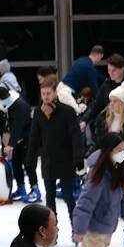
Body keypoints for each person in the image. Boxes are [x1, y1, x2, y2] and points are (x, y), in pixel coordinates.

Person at [25, 75, 82, 219]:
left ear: (55, 92)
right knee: (49, 198)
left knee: (69, 196)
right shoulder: (38, 112)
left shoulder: (67, 111)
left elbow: (75, 136)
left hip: (65, 160)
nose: (45, 97)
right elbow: (34, 137)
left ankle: (76, 228)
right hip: (48, 160)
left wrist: (77, 157)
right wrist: (30, 159)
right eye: (43, 94)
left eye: (48, 93)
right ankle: (52, 231)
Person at [0, 85, 32, 202]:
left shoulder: (20, 105)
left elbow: (17, 127)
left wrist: (11, 145)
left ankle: (35, 188)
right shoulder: (0, 106)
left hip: (27, 136)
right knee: (15, 163)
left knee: (28, 163)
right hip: (15, 139)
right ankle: (21, 188)